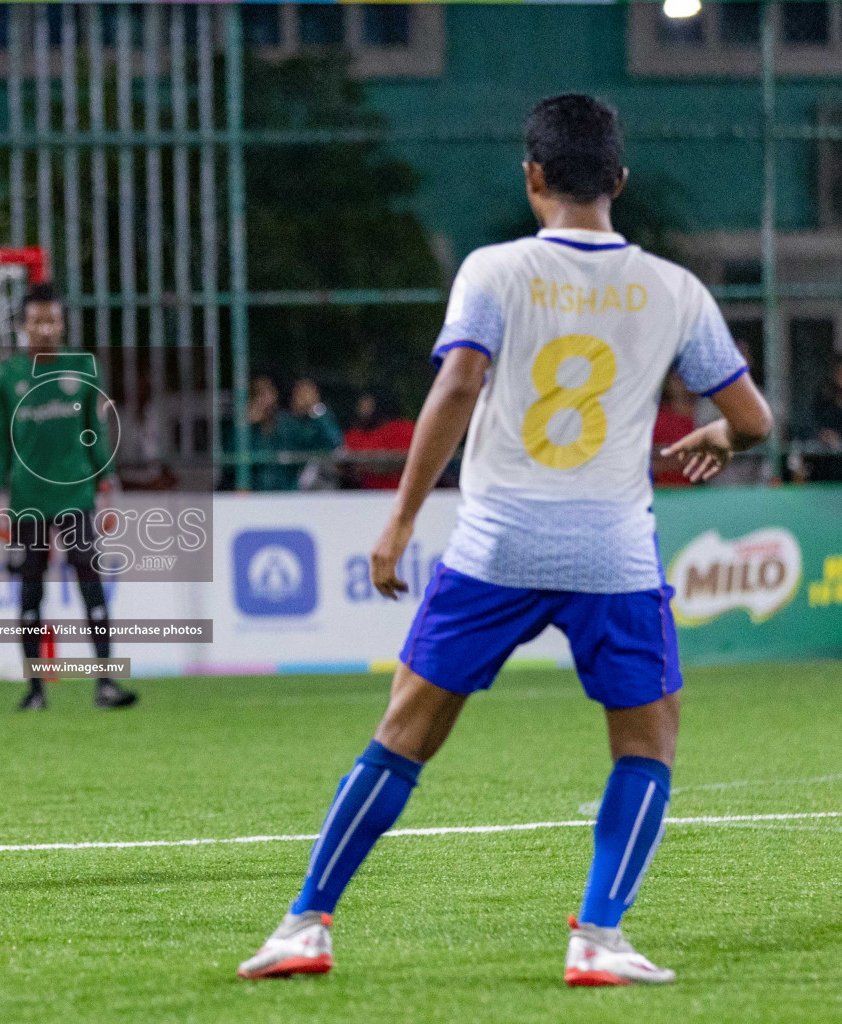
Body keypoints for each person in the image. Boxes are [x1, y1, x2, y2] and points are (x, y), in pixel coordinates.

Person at [238, 95, 771, 986]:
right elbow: (752, 417)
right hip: (612, 555)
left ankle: (305, 924)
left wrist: (403, 516)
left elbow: (457, 387)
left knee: (402, 733)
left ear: (532, 176)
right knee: (648, 744)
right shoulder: (677, 289)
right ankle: (599, 937)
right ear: (620, 181)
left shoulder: (496, 270)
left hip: (496, 545)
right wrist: (720, 438)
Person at [0, 282, 138, 712]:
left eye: (52, 320)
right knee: (31, 593)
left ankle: (106, 683)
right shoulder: (6, 376)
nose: (45, 328)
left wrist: (107, 480)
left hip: (77, 495)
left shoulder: (84, 369)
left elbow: (97, 431)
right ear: (23, 326)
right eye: (37, 321)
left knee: (92, 587)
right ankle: (35, 691)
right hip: (27, 500)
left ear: (62, 323)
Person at [342, 391, 416, 490]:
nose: (363, 409)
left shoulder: (402, 429)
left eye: (368, 404)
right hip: (365, 495)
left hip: (401, 492)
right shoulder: (354, 435)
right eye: (361, 404)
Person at [651, 375, 697, 487]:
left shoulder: (705, 416)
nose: (682, 384)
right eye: (677, 378)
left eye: (685, 378)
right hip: (661, 492)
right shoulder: (656, 419)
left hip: (697, 491)